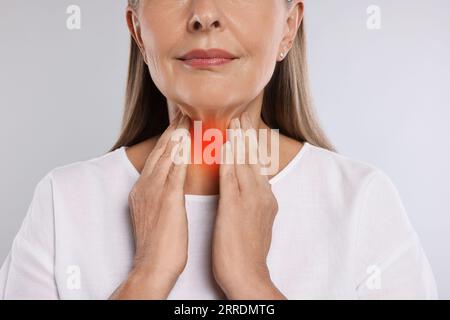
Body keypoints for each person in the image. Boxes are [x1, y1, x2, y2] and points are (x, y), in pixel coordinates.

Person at [0, 0, 438, 299]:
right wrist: (148, 276)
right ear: (137, 28)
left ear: (288, 26)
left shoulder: (362, 201)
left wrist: (251, 284)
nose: (205, 15)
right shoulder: (62, 202)